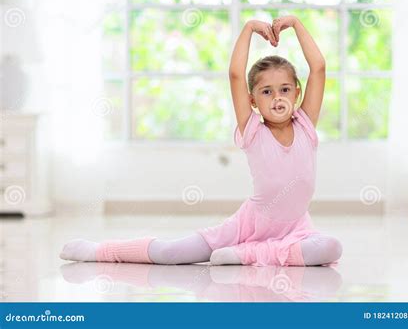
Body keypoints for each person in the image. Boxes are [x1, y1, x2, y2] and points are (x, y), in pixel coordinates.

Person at [60, 15, 343, 267]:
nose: (277, 97)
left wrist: (295, 23)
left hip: (296, 230)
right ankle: (97, 250)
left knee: (331, 248)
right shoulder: (254, 130)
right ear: (252, 100)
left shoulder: (305, 125)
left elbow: (318, 67)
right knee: (171, 254)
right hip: (248, 226)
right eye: (266, 92)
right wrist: (247, 29)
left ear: (296, 92)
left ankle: (246, 255)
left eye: (284, 89)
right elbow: (234, 75)